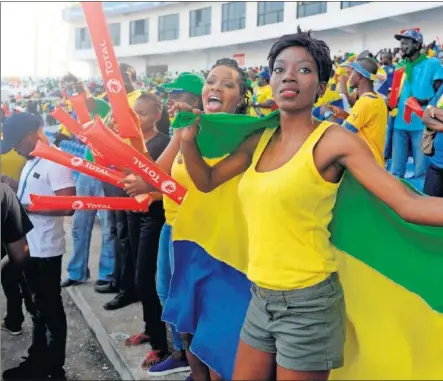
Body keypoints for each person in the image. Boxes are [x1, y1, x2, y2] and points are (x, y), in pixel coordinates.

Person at [176, 29, 443, 381]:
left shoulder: (333, 141)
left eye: (303, 70)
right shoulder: (260, 138)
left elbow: (407, 204)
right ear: (270, 82)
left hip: (309, 305)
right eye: (280, 69)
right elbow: (207, 181)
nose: (289, 75)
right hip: (259, 298)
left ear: (320, 87)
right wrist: (188, 139)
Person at [124, 60, 250, 380]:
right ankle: (194, 371)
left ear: (242, 97)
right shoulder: (186, 127)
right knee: (186, 317)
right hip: (182, 236)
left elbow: (212, 184)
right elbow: (158, 173)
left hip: (221, 245)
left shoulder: (247, 135)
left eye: (228, 84)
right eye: (212, 81)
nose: (217, 87)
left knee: (217, 328)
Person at [1, 112, 76, 380]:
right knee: (36, 308)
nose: (15, 149)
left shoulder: (55, 161)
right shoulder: (33, 159)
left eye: (16, 142)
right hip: (30, 246)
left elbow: (67, 205)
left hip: (44, 249)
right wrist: (9, 186)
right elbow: (31, 192)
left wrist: (24, 207)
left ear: (32, 134)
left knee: (48, 309)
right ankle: (38, 360)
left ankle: (53, 369)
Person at [58, 73, 116, 291]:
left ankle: (107, 273)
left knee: (108, 225)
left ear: (83, 89)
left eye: (75, 90)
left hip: (106, 169)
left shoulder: (101, 105)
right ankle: (77, 272)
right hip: (86, 168)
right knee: (81, 223)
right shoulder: (75, 111)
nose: (73, 95)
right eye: (68, 91)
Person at [99, 63, 144, 310]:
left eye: (121, 75)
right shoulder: (115, 102)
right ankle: (117, 280)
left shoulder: (137, 100)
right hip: (112, 171)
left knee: (126, 235)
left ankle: (128, 288)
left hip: (127, 172)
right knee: (117, 232)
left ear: (131, 77)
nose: (115, 80)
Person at [391, 29, 442, 179]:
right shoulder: (400, 65)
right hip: (399, 124)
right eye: (401, 42)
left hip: (422, 125)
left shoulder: (432, 63)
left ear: (416, 44)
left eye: (406, 42)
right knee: (395, 172)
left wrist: (425, 102)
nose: (402, 45)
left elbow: (440, 93)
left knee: (421, 171)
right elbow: (396, 93)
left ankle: (422, 201)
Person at [320, 57, 388, 166]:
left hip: (366, 166)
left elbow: (341, 135)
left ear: (359, 76)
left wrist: (327, 113)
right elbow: (365, 126)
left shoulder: (365, 102)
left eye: (352, 73)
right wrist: (345, 115)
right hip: (374, 162)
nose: (349, 77)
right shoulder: (377, 99)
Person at [1, 182, 34, 337]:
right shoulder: (4, 193)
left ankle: (14, 321)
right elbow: (21, 255)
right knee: (13, 273)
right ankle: (16, 321)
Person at [422, 80, 443, 197]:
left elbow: (430, 110)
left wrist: (433, 111)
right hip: (437, 164)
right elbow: (425, 117)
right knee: (426, 210)